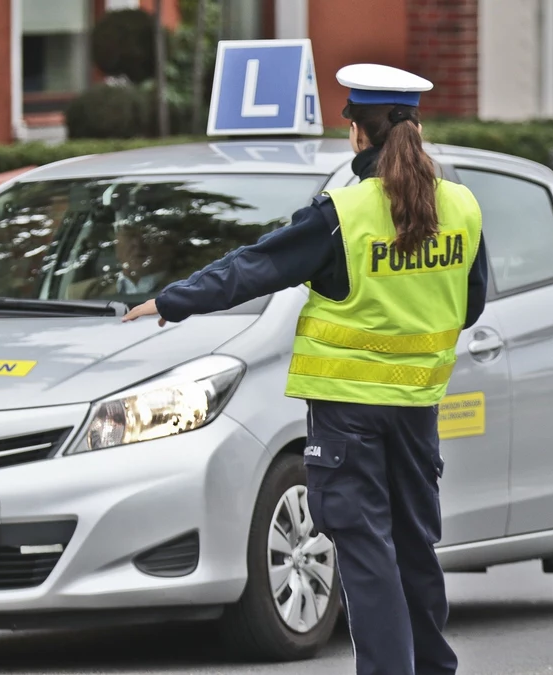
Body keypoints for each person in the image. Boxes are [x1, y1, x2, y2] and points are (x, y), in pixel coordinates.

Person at [124, 63, 487, 675]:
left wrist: (172, 300)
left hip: (349, 418)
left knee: (368, 556)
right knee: (414, 553)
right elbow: (469, 305)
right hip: (417, 413)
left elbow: (254, 267)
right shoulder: (462, 207)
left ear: (358, 134)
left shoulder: (342, 215)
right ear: (414, 128)